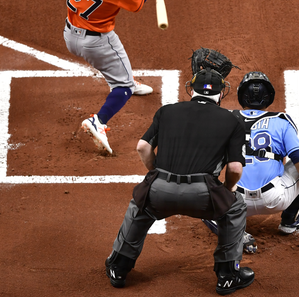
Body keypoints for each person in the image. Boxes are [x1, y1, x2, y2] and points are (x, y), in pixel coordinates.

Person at [104, 68, 255, 295]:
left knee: (141, 205)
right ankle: (227, 276)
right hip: (203, 195)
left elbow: (142, 147)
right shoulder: (232, 120)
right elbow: (235, 168)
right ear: (221, 94)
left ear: (191, 90)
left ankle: (118, 267)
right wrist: (227, 190)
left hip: (159, 192)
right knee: (235, 208)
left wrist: (156, 175)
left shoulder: (167, 111)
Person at [202, 71, 299, 254]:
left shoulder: (225, 119)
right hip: (274, 198)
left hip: (236, 201)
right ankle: (291, 220)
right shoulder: (281, 121)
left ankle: (231, 229)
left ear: (241, 95)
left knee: (202, 195)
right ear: (269, 97)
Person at [63, 0, 161, 155]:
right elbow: (139, 2)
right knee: (124, 87)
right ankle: (98, 121)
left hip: (69, 34)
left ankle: (125, 77)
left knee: (119, 67)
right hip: (96, 43)